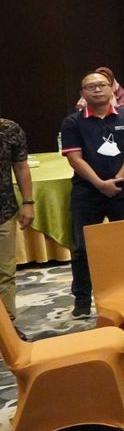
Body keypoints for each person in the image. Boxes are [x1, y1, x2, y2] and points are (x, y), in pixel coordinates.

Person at [61, 71, 124, 318]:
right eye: (91, 86)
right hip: (86, 192)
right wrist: (100, 184)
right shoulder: (72, 122)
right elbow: (74, 158)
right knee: (81, 247)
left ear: (112, 90)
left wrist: (118, 179)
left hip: (123, 190)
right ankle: (81, 299)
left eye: (102, 85)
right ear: (82, 94)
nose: (97, 89)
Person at [1, 115, 34, 330]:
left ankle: (6, 331)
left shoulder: (9, 129)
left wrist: (28, 202)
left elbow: (21, 167)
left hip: (3, 211)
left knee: (4, 273)